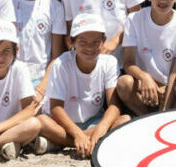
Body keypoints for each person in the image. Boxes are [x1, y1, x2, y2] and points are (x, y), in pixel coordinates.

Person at [40, 14, 127, 157]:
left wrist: (101, 128)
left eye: (95, 42)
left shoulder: (109, 62)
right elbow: (55, 108)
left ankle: (60, 142)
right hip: (63, 124)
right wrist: (77, 134)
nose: (89, 48)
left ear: (103, 41)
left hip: (92, 122)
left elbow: (114, 104)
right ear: (71, 42)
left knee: (125, 120)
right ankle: (87, 141)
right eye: (83, 42)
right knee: (42, 121)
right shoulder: (61, 64)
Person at [117, 0, 176, 113]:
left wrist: (165, 108)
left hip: (170, 86)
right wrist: (144, 77)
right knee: (124, 83)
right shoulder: (134, 19)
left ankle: (161, 116)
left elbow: (175, 72)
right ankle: (144, 118)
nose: (163, 0)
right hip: (144, 86)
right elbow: (128, 63)